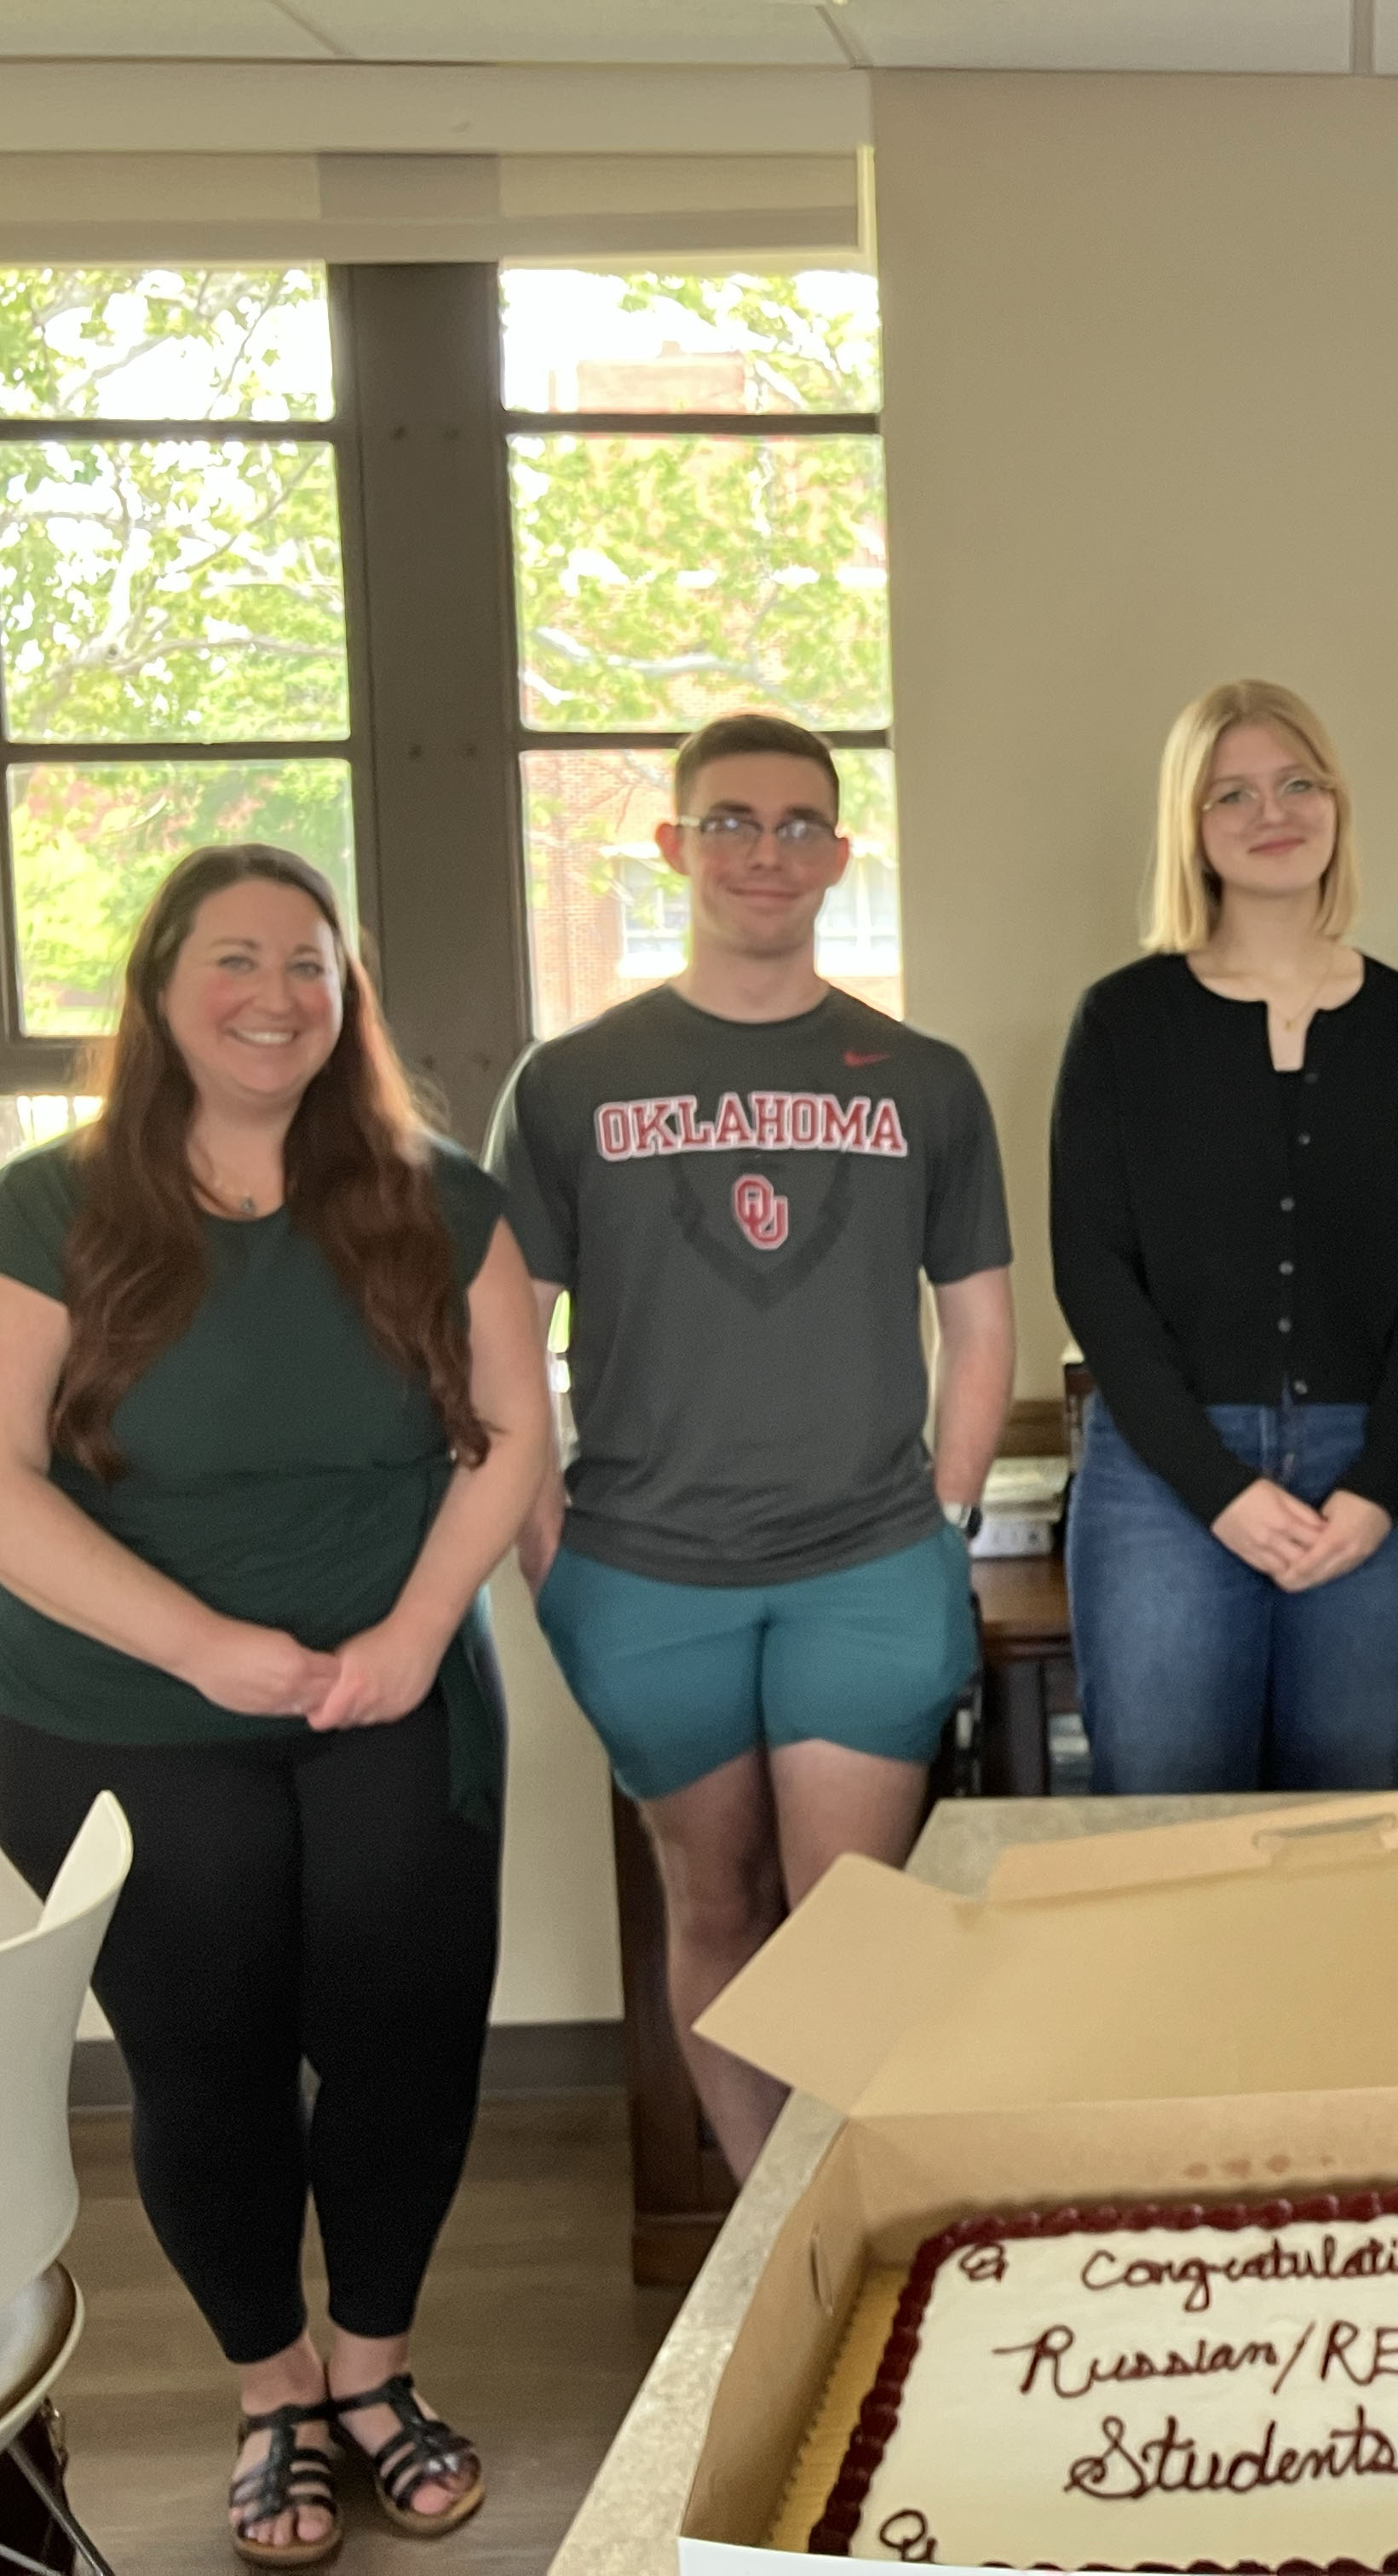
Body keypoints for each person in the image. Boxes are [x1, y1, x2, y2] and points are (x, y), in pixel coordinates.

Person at [0, 846, 548, 2564]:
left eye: (308, 963)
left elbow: (514, 1435)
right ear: (161, 992)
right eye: (234, 960)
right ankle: (274, 2393)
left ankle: (376, 2377)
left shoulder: (437, 1194)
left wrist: (412, 1628)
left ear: (346, 996)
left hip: (390, 1688)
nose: (274, 994)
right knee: (205, 2057)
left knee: (404, 2040)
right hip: (115, 1707)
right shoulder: (45, 1205)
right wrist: (196, 1646)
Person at [487, 711, 1013, 2180]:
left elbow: (978, 1324)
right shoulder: (570, 1079)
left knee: (847, 1912)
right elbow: (501, 1346)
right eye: (730, 821)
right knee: (711, 1902)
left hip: (864, 1559)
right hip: (643, 1569)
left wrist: (948, 1517)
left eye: (797, 824)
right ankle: (765, 2246)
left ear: (841, 854)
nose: (764, 851)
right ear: (673, 846)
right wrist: (545, 1559)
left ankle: (857, 2218)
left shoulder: (923, 1078)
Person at [1051, 679, 1398, 1793]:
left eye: (1297, 783)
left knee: (1353, 1820)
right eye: (1229, 793)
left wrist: (1381, 1487)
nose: (1269, 812)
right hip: (1165, 1472)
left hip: (1377, 1472)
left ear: (1337, 806)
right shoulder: (1123, 1022)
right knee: (1163, 1821)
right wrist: (1216, 1486)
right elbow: (1095, 1275)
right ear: (1188, 828)